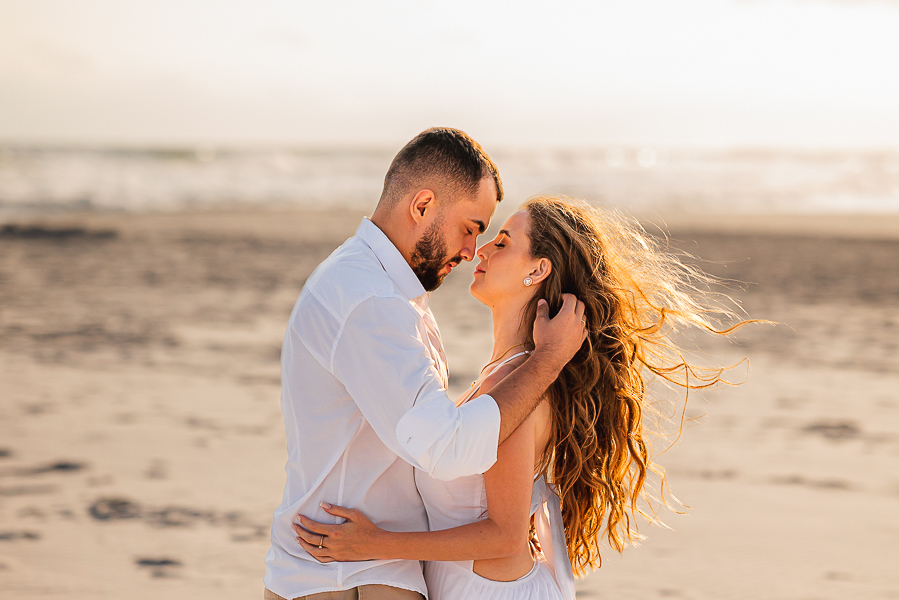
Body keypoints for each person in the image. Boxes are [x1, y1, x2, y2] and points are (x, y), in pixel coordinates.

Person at [295, 196, 757, 599]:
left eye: (503, 242)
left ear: (538, 269)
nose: (481, 250)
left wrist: (374, 545)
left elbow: (504, 535)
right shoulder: (507, 377)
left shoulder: (522, 388)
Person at [263, 130, 588, 600]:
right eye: (472, 227)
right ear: (423, 205)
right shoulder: (370, 299)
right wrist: (549, 359)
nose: (472, 249)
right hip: (336, 576)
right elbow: (447, 447)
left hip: (372, 569)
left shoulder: (392, 291)